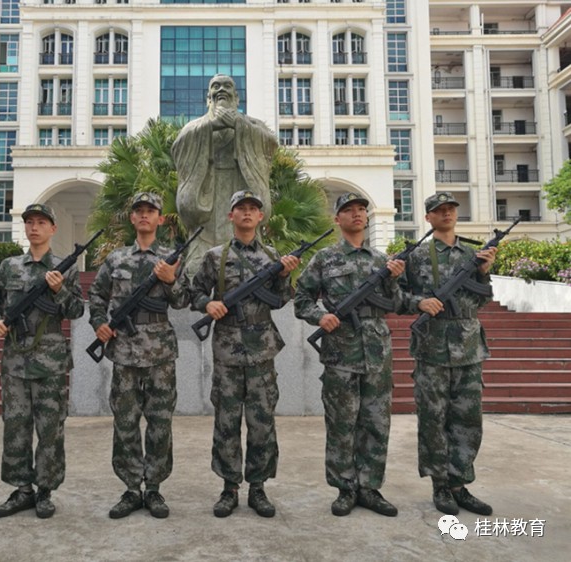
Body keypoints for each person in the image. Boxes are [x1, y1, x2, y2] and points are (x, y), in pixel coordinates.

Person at [294, 193, 416, 517]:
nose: (357, 214)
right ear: (338, 219)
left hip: (377, 351)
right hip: (340, 352)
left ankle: (370, 487)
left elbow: (398, 303)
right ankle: (345, 488)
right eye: (349, 210)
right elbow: (301, 297)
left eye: (362, 209)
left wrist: (393, 278)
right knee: (341, 424)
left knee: (377, 422)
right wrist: (320, 316)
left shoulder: (381, 260)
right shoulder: (324, 258)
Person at [190, 190, 299, 518]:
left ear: (260, 216)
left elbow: (280, 300)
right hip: (227, 352)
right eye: (241, 208)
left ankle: (258, 487)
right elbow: (194, 291)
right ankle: (229, 487)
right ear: (231, 216)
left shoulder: (271, 256)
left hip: (262, 352)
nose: (248, 213)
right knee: (226, 422)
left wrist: (284, 275)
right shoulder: (215, 257)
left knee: (262, 422)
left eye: (253, 208)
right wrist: (207, 303)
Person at [88, 192, 190, 520]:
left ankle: (155, 488)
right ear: (132, 218)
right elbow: (97, 294)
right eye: (139, 211)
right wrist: (99, 324)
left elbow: (183, 300)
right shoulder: (116, 259)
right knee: (126, 422)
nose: (145, 216)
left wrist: (170, 280)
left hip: (160, 351)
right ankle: (132, 488)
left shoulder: (170, 259)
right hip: (124, 351)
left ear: (161, 219)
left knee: (160, 422)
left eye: (151, 211)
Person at [0, 203, 84, 519]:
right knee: (16, 427)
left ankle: (44, 490)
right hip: (15, 362)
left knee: (50, 429)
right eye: (29, 222)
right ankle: (21, 489)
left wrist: (61, 290)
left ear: (53, 228)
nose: (34, 227)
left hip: (50, 364)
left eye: (41, 222)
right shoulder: (8, 267)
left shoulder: (64, 268)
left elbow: (77, 310)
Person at [400, 192, 496, 517]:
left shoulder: (472, 253)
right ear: (428, 217)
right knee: (433, 420)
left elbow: (484, 299)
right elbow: (395, 293)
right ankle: (440, 485)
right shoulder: (417, 256)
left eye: (450, 209)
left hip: (469, 347)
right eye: (439, 210)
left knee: (468, 419)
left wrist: (483, 272)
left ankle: (460, 483)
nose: (446, 214)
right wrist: (418, 303)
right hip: (432, 348)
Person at [173, 74, 278, 274]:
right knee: (197, 269)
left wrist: (239, 125)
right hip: (207, 197)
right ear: (208, 98)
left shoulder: (252, 125)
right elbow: (179, 146)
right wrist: (210, 126)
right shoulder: (194, 127)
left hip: (241, 187)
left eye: (227, 86)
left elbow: (270, 143)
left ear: (236, 98)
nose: (221, 89)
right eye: (216, 86)